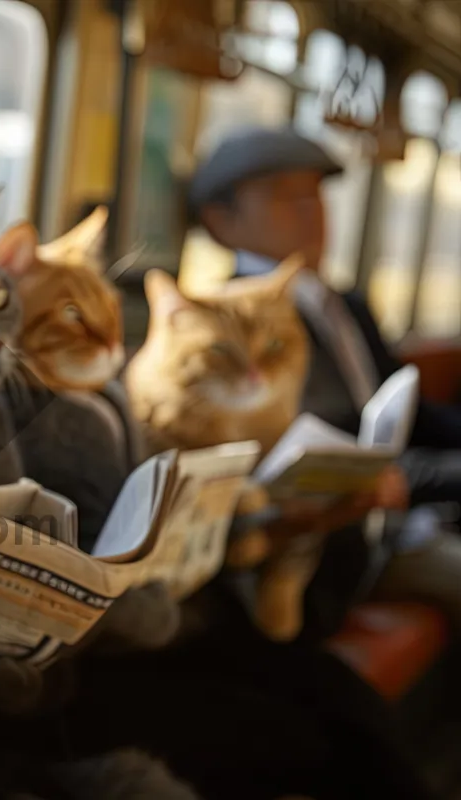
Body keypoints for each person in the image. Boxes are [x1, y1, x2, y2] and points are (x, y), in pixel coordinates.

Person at [189, 125, 461, 635]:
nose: (310, 210)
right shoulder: (233, 323)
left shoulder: (347, 304)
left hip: (399, 512)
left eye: (314, 192)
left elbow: (410, 411)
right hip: (336, 539)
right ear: (220, 222)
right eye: (281, 196)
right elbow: (326, 446)